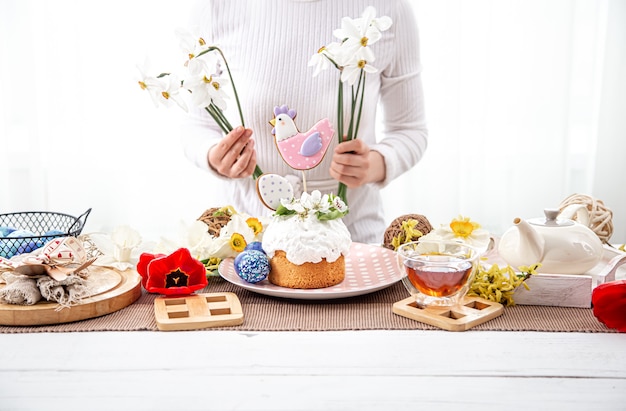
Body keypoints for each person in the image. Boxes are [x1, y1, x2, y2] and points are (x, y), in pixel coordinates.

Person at [181, 0, 428, 245]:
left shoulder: (387, 8)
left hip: (353, 242)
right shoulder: (216, 7)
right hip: (247, 241)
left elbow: (410, 131)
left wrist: (374, 164)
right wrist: (215, 156)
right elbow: (197, 126)